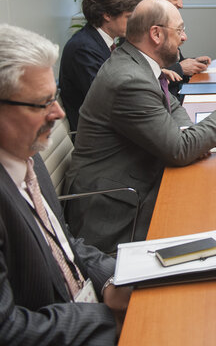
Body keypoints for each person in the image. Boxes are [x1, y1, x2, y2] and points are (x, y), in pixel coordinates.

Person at [64, 0, 216, 253]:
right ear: (156, 34)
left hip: (136, 177)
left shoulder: (136, 62)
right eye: (180, 30)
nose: (185, 37)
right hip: (116, 206)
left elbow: (171, 105)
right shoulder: (128, 80)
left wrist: (187, 134)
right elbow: (179, 150)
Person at [0, 24, 131, 344]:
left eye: (54, 96)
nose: (58, 113)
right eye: (42, 103)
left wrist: (112, 281)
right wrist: (106, 319)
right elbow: (7, 330)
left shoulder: (25, 155)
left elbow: (63, 240)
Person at [59, 0, 140, 132]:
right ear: (107, 15)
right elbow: (107, 99)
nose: (133, 23)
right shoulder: (83, 49)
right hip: (96, 135)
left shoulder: (102, 42)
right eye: (128, 17)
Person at [148, 0, 211, 102]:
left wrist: (193, 63)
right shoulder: (142, 25)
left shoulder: (167, 21)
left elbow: (173, 62)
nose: (181, 4)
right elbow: (145, 75)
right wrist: (181, 68)